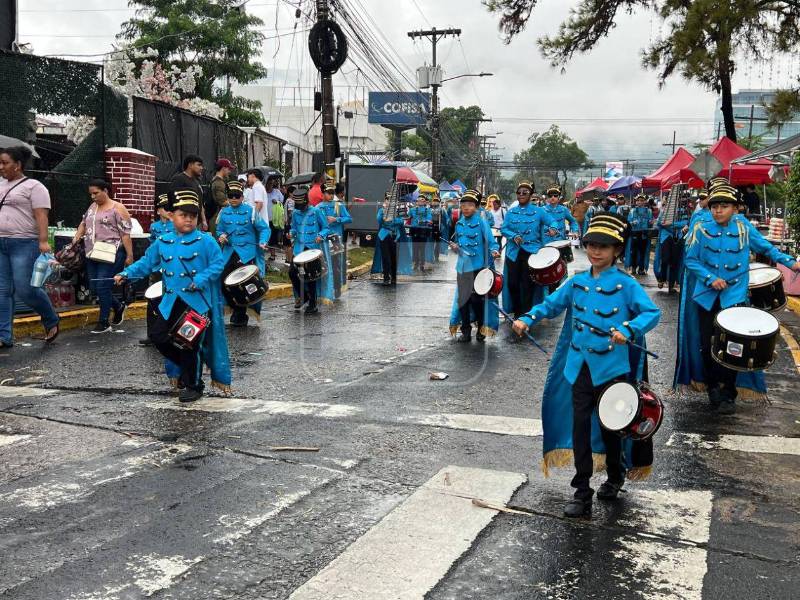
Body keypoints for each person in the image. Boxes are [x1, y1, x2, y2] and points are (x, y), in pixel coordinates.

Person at [512, 212, 660, 517]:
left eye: (604, 247)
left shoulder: (626, 284)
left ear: (617, 250)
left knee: (610, 429)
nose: (596, 251)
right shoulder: (577, 282)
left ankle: (616, 475)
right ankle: (581, 491)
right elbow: (551, 304)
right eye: (591, 244)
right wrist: (528, 318)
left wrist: (629, 329)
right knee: (579, 427)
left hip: (612, 370)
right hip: (578, 367)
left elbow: (651, 313)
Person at [682, 186, 800, 415]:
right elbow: (691, 260)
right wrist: (710, 278)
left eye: (724, 206)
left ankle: (728, 391)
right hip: (706, 296)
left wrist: (790, 262)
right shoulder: (701, 228)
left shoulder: (744, 227)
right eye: (715, 206)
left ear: (736, 209)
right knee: (707, 345)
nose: (718, 211)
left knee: (733, 347)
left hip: (734, 295)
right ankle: (712, 386)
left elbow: (766, 248)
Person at [115, 189, 230, 402]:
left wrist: (202, 279)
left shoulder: (206, 241)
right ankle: (189, 368)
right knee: (159, 337)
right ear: (171, 215)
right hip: (170, 302)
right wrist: (126, 273)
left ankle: (194, 385)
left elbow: (217, 264)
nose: (188, 219)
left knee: (189, 343)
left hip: (196, 303)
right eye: (183, 215)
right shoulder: (163, 241)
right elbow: (146, 263)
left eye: (192, 216)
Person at [0, 146, 60, 345]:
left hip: (24, 243)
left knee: (25, 289)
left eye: (5, 163)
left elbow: (41, 215)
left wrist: (43, 241)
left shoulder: (34, 186)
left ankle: (51, 319)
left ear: (17, 165)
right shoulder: (0, 185)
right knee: (2, 291)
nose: (1, 167)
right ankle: (4, 336)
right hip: (1, 243)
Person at [73, 179, 133, 333]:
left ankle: (104, 322)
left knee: (102, 286)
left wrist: (129, 255)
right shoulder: (92, 207)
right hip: (92, 252)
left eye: (96, 193)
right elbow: (83, 223)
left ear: (106, 191)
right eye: (91, 194)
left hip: (111, 252)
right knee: (94, 286)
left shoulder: (118, 208)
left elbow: (126, 234)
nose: (93, 197)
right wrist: (77, 237)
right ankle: (118, 307)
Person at [215, 180, 270, 326]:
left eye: (237, 195)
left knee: (243, 283)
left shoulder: (251, 211)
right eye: (231, 195)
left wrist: (263, 241)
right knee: (222, 281)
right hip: (229, 252)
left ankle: (241, 313)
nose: (233, 198)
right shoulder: (224, 212)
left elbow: (264, 228)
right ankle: (235, 307)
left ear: (242, 197)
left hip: (247, 253)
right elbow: (219, 230)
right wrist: (221, 236)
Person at [448, 189, 500, 342]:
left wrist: (495, 251)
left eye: (470, 205)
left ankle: (482, 327)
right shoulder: (459, 224)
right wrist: (455, 247)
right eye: (463, 204)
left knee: (477, 300)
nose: (466, 208)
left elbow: (491, 242)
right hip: (462, 268)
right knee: (463, 300)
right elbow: (458, 243)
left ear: (476, 207)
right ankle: (465, 330)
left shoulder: (481, 223)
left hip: (479, 267)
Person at [500, 181, 556, 318]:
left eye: (525, 193)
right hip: (513, 253)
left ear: (531, 195)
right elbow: (504, 228)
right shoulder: (511, 212)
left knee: (527, 285)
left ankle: (523, 315)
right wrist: (513, 236)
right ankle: (516, 309)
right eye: (519, 193)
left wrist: (553, 228)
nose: (521, 195)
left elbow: (552, 221)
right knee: (512, 284)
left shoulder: (539, 211)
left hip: (531, 252)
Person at [288, 187, 331, 313]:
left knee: (311, 276)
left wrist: (320, 235)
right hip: (299, 248)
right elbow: (294, 228)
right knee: (292, 272)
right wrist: (291, 233)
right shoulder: (295, 213)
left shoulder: (316, 211)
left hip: (312, 248)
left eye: (301, 205)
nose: (300, 208)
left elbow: (326, 227)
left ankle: (313, 303)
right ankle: (304, 295)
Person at [317, 183, 352, 298]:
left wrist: (336, 219)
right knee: (324, 264)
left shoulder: (338, 205)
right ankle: (325, 289)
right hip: (323, 239)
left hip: (336, 239)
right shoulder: (318, 207)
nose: (331, 196)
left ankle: (337, 288)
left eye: (332, 193)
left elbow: (349, 219)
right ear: (323, 194)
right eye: (328, 193)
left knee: (336, 264)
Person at [654, 199, 688, 292]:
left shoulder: (682, 211)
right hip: (666, 237)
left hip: (678, 237)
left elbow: (685, 223)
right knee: (665, 259)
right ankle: (661, 279)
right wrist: (671, 226)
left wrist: (671, 224)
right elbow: (659, 222)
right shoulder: (665, 210)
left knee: (674, 262)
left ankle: (671, 285)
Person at [372, 195, 407, 286]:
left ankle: (394, 277)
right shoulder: (381, 210)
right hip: (384, 236)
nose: (389, 202)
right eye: (387, 200)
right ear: (385, 201)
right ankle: (386, 277)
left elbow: (401, 221)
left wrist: (391, 220)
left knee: (394, 257)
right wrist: (384, 215)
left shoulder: (397, 211)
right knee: (385, 257)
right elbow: (379, 220)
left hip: (395, 236)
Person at [170, 154, 207, 231]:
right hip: (184, 223)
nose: (201, 168)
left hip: (196, 223)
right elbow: (173, 203)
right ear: (190, 165)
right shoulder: (179, 179)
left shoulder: (197, 182)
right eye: (199, 165)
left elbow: (200, 203)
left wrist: (204, 220)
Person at [625, 194, 653, 276]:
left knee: (642, 252)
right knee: (633, 252)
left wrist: (651, 222)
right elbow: (628, 222)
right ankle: (633, 268)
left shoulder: (649, 211)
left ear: (645, 201)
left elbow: (651, 222)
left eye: (642, 200)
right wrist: (632, 223)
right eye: (638, 200)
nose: (640, 202)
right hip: (635, 233)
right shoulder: (632, 211)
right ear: (636, 201)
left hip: (644, 233)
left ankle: (641, 269)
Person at [207, 158, 233, 234]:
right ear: (223, 168)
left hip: (215, 215)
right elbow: (223, 202)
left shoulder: (214, 180)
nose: (229, 171)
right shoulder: (219, 183)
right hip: (217, 216)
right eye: (228, 169)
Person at [408, 194, 433, 272]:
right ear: (417, 202)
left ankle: (422, 264)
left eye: (422, 200)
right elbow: (407, 216)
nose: (420, 201)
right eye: (419, 200)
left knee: (422, 248)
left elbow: (429, 219)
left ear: (425, 202)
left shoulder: (428, 210)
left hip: (423, 230)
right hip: (414, 229)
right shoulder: (412, 210)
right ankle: (415, 263)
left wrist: (424, 221)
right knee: (415, 248)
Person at [265, 176, 283, 261]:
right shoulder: (263, 192)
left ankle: (273, 255)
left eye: (271, 184)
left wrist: (277, 202)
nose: (270, 186)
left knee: (273, 238)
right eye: (268, 184)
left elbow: (282, 202)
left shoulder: (277, 192)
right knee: (265, 236)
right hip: (264, 219)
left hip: (274, 219)